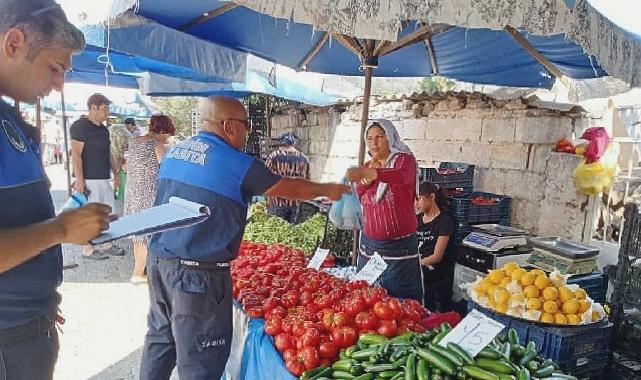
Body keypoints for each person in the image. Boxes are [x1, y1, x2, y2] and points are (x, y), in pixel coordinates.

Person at [140, 96, 349, 380]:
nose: (247, 131)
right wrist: (330, 189)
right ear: (228, 126)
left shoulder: (176, 152)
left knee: (161, 341)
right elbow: (292, 189)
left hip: (160, 263)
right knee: (201, 359)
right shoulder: (236, 163)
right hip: (197, 278)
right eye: (245, 125)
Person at [0, 2, 113, 379]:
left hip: (25, 328)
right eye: (55, 67)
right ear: (13, 44)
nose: (60, 83)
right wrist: (61, 230)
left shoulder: (8, 117)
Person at [346, 119, 423, 302]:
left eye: (380, 137)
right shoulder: (367, 166)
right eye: (370, 138)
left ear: (390, 138)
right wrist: (365, 180)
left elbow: (402, 177)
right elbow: (360, 192)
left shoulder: (404, 160)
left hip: (399, 249)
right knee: (368, 300)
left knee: (401, 304)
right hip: (368, 246)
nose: (374, 143)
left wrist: (376, 174)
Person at [70, 93, 124, 259]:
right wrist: (80, 180)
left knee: (108, 212)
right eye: (104, 108)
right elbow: (76, 154)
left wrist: (116, 174)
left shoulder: (104, 130)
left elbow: (108, 153)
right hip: (88, 178)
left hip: (104, 177)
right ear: (93, 107)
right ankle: (88, 248)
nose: (106, 112)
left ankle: (107, 244)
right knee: (90, 215)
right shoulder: (79, 126)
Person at [124, 115, 175, 284]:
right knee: (148, 235)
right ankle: (139, 273)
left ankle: (138, 271)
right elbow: (166, 168)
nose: (168, 138)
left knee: (138, 235)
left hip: (133, 192)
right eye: (167, 134)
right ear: (162, 130)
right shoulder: (157, 145)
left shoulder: (135, 141)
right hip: (148, 193)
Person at [416, 181, 457, 312]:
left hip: (435, 271)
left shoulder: (445, 221)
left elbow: (437, 257)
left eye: (420, 199)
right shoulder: (417, 219)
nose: (417, 203)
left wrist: (415, 264)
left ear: (432, 197)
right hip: (418, 266)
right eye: (415, 200)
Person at [265, 132, 310, 223]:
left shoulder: (273, 157)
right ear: (293, 143)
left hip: (277, 202)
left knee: (276, 232)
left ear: (281, 143)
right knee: (293, 234)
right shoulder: (303, 159)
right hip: (296, 203)